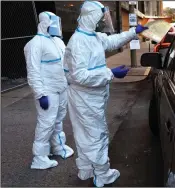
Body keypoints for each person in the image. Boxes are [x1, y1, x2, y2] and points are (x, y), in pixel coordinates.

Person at [63, 1, 148, 187]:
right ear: (91, 17)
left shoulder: (92, 36)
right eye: (101, 18)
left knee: (84, 134)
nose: (103, 21)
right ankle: (102, 174)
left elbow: (112, 41)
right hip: (85, 97)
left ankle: (86, 169)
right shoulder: (78, 43)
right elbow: (80, 76)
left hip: (91, 96)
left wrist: (135, 31)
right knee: (96, 135)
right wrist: (110, 73)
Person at [24, 11, 74, 170]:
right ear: (46, 22)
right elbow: (33, 71)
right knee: (46, 122)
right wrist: (40, 94)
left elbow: (66, 64)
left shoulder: (58, 42)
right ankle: (39, 157)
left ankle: (58, 147)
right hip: (47, 91)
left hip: (61, 87)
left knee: (58, 120)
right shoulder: (35, 44)